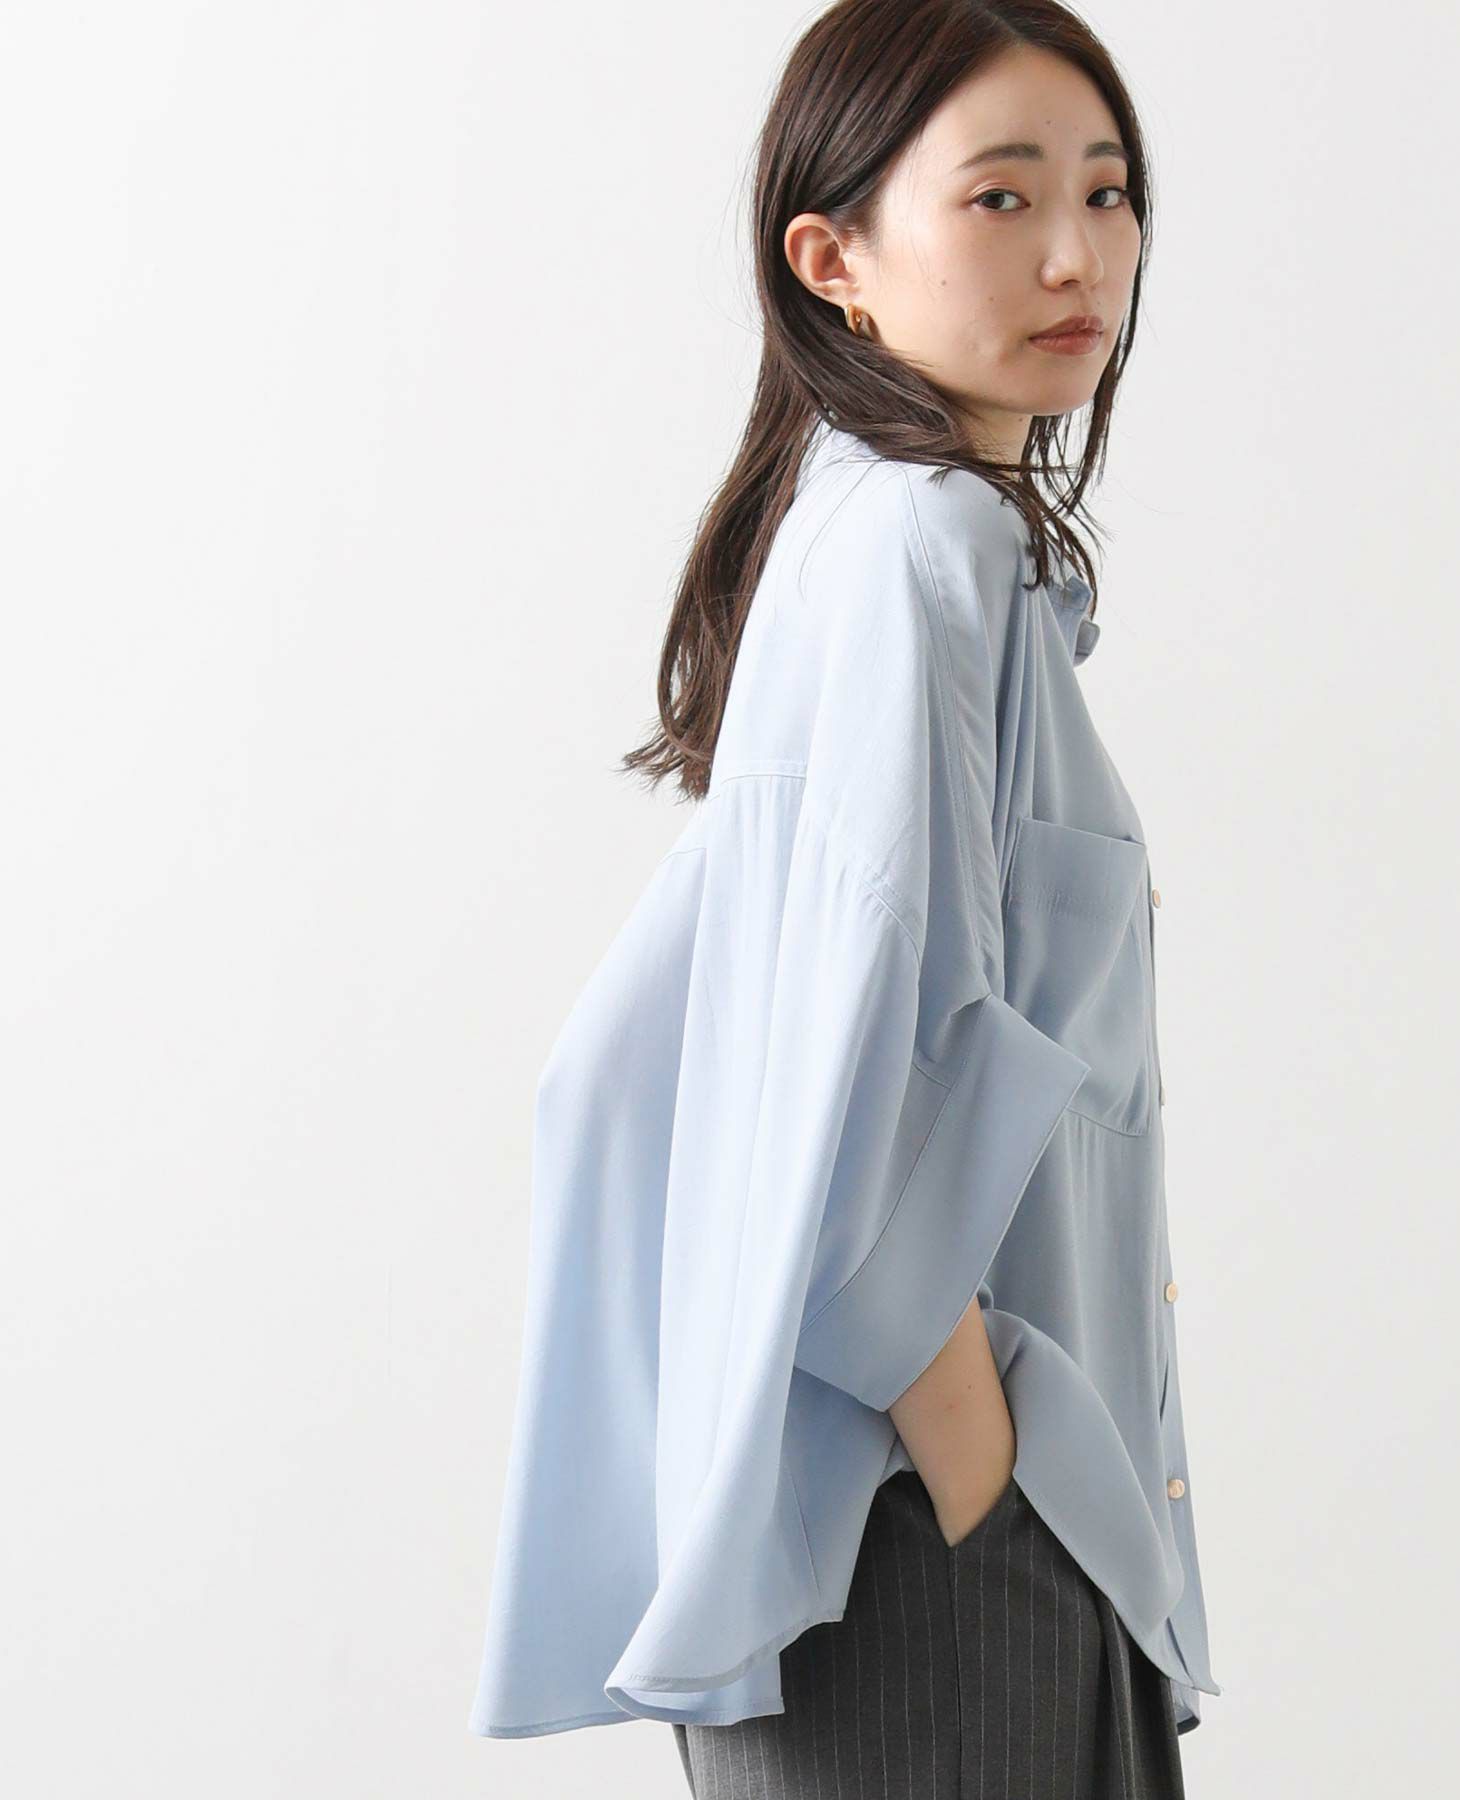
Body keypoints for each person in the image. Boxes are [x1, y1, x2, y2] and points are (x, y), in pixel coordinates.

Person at [467, 1, 1220, 1792]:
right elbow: (848, 1094)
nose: (1076, 255)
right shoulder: (920, 549)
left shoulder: (867, 531)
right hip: (933, 1553)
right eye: (1001, 197)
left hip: (896, 1543)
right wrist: (984, 1472)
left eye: (1109, 192)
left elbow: (626, 1066)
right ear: (832, 263)